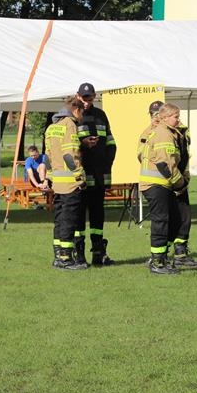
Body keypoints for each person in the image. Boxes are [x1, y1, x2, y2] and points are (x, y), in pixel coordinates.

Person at [137, 100, 197, 268]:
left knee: (178, 219)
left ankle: (168, 257)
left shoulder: (174, 131)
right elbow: (166, 164)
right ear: (164, 117)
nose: (178, 120)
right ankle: (158, 261)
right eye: (175, 117)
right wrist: (179, 183)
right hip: (162, 182)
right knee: (161, 221)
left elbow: (180, 157)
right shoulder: (162, 133)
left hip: (167, 182)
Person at [75, 82, 117, 266]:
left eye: (90, 98)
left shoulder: (101, 115)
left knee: (98, 216)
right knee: (78, 216)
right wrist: (83, 143)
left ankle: (98, 253)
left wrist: (106, 163)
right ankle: (79, 254)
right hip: (80, 176)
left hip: (99, 175)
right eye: (84, 98)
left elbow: (111, 143)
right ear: (77, 96)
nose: (86, 101)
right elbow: (68, 146)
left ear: (94, 97)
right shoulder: (72, 117)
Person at [45, 96, 87, 270]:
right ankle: (66, 259)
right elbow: (70, 155)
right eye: (82, 113)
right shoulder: (70, 125)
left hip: (58, 182)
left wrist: (50, 177)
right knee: (69, 220)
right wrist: (79, 177)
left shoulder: (52, 127)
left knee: (60, 219)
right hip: (70, 182)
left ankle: (58, 256)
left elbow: (47, 157)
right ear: (76, 110)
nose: (82, 117)